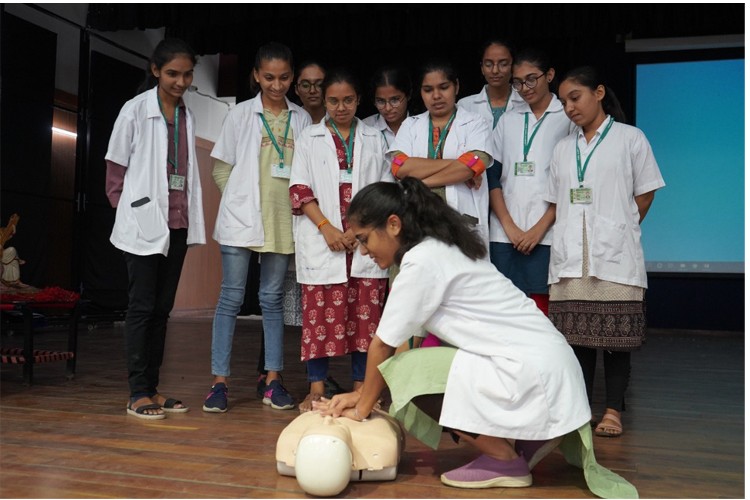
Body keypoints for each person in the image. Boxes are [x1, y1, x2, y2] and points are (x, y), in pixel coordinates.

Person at [315, 177, 592, 489]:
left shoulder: (422, 262)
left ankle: (504, 459)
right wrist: (362, 393)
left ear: (393, 225)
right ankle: (523, 439)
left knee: (413, 375)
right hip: (549, 370)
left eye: (364, 239)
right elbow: (403, 346)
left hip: (534, 373)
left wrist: (362, 409)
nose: (363, 251)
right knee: (409, 368)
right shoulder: (439, 248)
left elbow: (383, 346)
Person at [547, 66, 665, 438]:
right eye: (564, 101)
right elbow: (557, 201)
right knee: (577, 341)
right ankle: (581, 410)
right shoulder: (564, 148)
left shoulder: (630, 138)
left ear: (598, 92)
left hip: (614, 258)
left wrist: (620, 228)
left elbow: (645, 193)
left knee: (616, 341)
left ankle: (612, 410)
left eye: (575, 97)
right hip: (571, 259)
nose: (569, 107)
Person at [204, 42, 312, 413]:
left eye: (284, 78)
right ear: (256, 76)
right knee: (231, 298)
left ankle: (272, 380)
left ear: (292, 78)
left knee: (272, 302)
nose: (276, 85)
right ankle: (219, 383)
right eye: (269, 77)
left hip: (282, 222)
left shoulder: (301, 119)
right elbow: (221, 167)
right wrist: (237, 201)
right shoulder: (239, 115)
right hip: (241, 219)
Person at [105, 38, 206, 420]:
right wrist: (131, 215)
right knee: (142, 308)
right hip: (143, 225)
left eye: (187, 74)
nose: (180, 81)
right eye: (172, 74)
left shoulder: (188, 114)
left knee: (162, 310)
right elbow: (115, 172)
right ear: (155, 70)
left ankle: (153, 387)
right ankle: (137, 392)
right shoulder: (134, 110)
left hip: (175, 224)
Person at [289, 69, 392, 412]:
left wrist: (356, 230)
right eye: (333, 100)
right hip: (325, 242)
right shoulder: (309, 138)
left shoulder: (376, 138)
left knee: (365, 321)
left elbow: (383, 189)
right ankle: (316, 389)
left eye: (348, 100)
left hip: (363, 244)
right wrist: (328, 229)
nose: (341, 107)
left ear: (358, 100)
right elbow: (300, 188)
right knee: (319, 319)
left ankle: (364, 390)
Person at [489, 48, 574, 316]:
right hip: (505, 234)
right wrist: (510, 227)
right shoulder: (509, 119)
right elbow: (493, 178)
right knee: (506, 309)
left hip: (547, 232)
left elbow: (569, 183)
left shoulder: (567, 117)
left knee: (542, 311)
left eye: (531, 79)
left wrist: (538, 230)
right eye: (517, 82)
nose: (524, 88)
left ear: (549, 75)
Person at [388, 60, 492, 250]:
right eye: (428, 90)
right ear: (420, 92)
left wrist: (420, 183)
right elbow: (399, 166)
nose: (436, 96)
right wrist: (459, 167)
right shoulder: (411, 125)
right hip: (417, 216)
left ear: (457, 87)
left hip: (460, 216)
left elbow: (476, 163)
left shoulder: (475, 123)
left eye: (443, 87)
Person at [457, 39, 523, 131]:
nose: (495, 70)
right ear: (482, 68)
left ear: (513, 66)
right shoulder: (465, 106)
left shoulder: (525, 102)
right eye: (488, 65)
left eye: (503, 64)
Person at [362, 66, 411, 148]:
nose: (388, 108)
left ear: (408, 95)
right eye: (381, 101)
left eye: (394, 100)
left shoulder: (422, 126)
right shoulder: (364, 127)